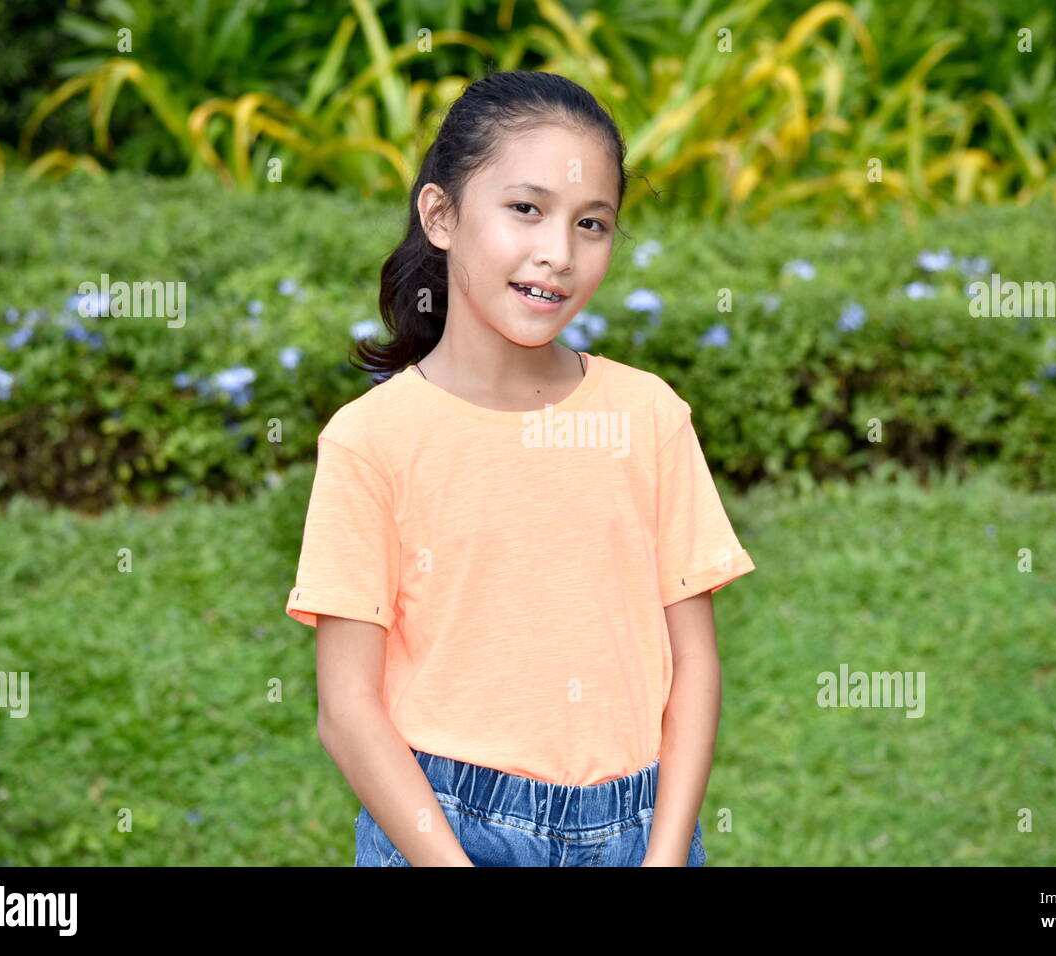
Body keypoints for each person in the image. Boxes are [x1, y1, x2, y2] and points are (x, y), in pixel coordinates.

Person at [285, 69, 756, 866]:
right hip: (442, 830)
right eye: (526, 209)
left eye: (593, 223)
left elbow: (696, 664)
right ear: (441, 214)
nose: (558, 254)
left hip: (638, 834)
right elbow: (348, 710)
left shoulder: (648, 417)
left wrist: (667, 853)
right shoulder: (372, 440)